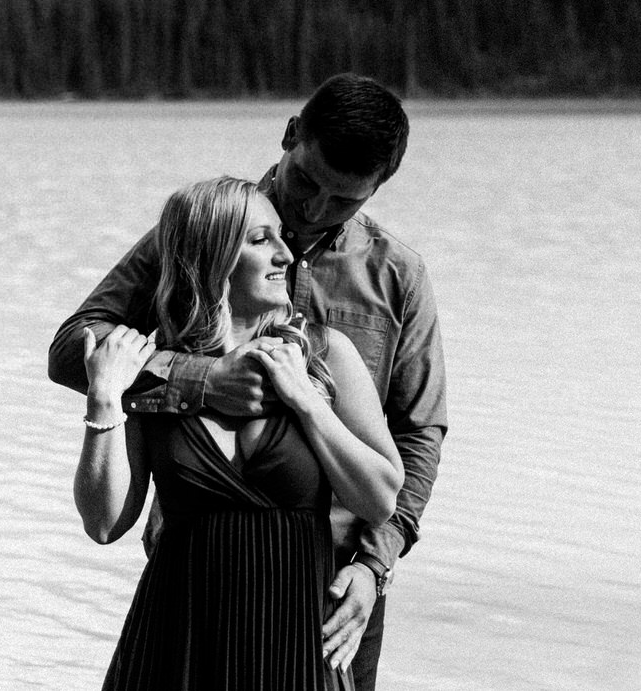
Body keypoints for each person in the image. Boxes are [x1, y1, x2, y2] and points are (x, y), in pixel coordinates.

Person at [50, 75, 445, 690]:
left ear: (376, 189)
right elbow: (76, 347)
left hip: (339, 589)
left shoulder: (398, 276)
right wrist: (203, 380)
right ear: (290, 136)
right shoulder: (205, 231)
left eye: (343, 201)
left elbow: (416, 437)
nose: (312, 211)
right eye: (307, 182)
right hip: (196, 575)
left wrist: (376, 563)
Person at [74, 178, 402, 689]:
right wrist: (104, 399)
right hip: (177, 648)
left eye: (280, 237)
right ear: (211, 257)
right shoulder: (157, 366)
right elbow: (104, 523)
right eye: (259, 240)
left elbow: (380, 498)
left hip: (296, 649)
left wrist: (306, 401)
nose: (286, 253)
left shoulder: (324, 353)